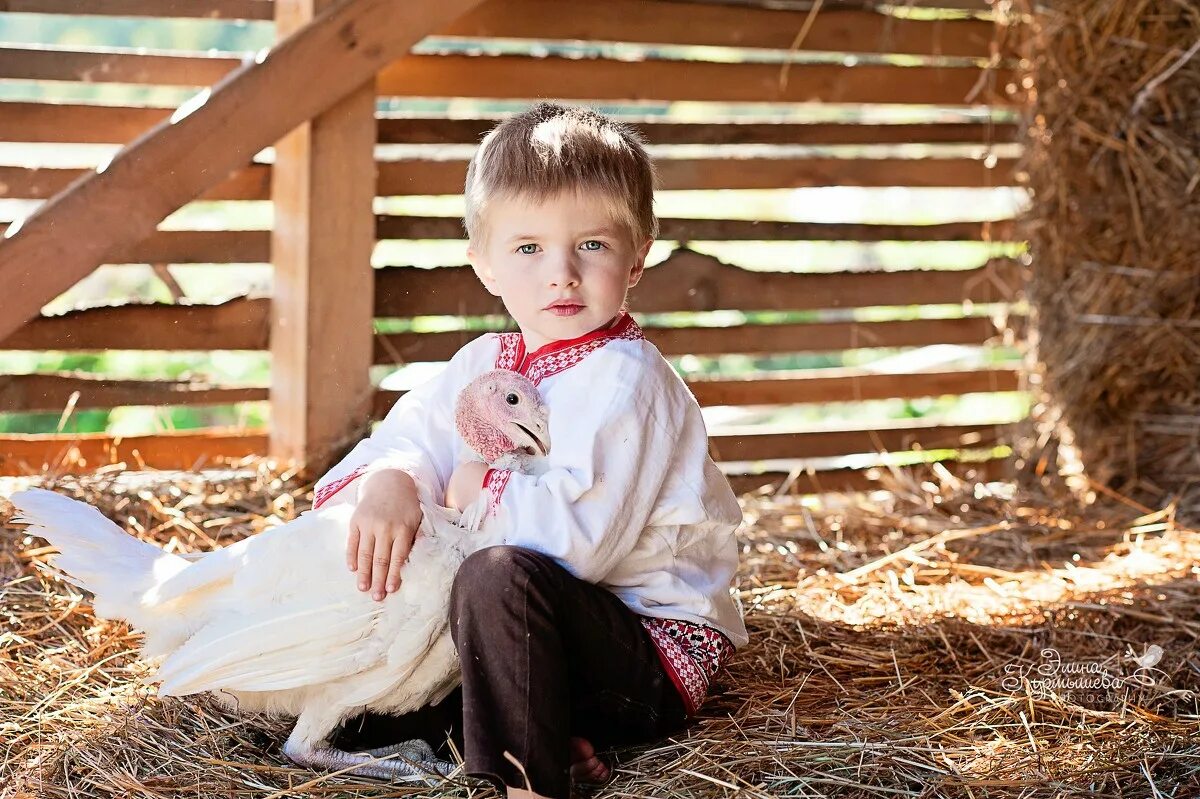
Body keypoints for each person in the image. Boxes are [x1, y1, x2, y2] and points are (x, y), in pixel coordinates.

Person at [310, 101, 749, 799]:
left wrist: (467, 485)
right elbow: (415, 427)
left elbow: (576, 546)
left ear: (638, 257)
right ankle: (548, 731)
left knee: (494, 577)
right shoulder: (489, 357)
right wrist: (393, 476)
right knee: (366, 718)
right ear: (483, 264)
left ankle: (531, 782)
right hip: (543, 637)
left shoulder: (627, 380)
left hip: (643, 652)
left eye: (592, 246)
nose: (562, 275)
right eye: (528, 248)